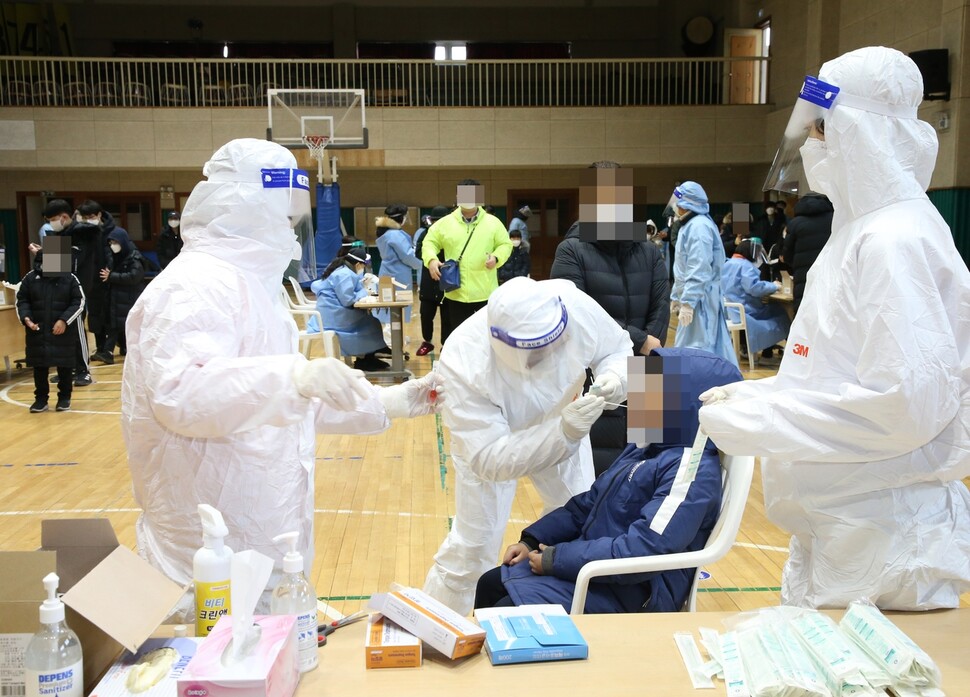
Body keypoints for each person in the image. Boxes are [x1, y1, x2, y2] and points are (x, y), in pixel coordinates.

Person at [122, 138, 442, 617]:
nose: (292, 224)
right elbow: (182, 394)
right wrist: (294, 377)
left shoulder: (253, 285)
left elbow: (276, 404)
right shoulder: (191, 286)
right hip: (205, 560)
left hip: (263, 540)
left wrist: (393, 402)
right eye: (284, 209)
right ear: (249, 204)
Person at [699, 46, 970, 611]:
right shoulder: (857, 233)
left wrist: (761, 416)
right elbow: (837, 374)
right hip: (843, 522)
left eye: (823, 129)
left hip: (885, 534)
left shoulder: (894, 239)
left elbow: (905, 405)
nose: (815, 145)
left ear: (860, 133)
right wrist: (759, 392)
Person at [474, 348, 742, 613]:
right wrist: (532, 541)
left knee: (506, 609)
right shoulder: (645, 448)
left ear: (685, 405)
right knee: (490, 583)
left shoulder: (690, 472)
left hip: (637, 590)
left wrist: (557, 559)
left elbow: (644, 550)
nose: (639, 398)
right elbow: (586, 505)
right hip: (597, 570)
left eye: (654, 389)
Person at [423, 276, 633, 614]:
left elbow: (618, 347)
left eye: (557, 343)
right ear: (502, 344)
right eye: (538, 353)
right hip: (496, 447)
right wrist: (561, 433)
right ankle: (441, 630)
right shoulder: (463, 358)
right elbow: (489, 458)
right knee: (472, 550)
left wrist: (615, 379)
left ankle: (558, 622)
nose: (552, 356)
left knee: (580, 525)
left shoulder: (574, 305)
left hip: (566, 423)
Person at [550, 162, 670, 476]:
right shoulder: (571, 251)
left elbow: (661, 304)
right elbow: (576, 314)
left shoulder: (649, 252)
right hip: (595, 369)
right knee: (598, 470)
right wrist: (640, 341)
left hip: (649, 367)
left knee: (648, 464)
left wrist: (651, 345)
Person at [421, 179, 512, 345]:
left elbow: (505, 244)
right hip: (456, 294)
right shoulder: (445, 223)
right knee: (460, 341)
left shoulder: (493, 223)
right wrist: (432, 260)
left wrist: (497, 257)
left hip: (485, 294)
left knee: (485, 341)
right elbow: (429, 242)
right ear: (457, 197)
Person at [668, 181, 738, 368]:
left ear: (688, 203)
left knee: (700, 350)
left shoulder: (699, 227)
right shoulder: (690, 226)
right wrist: (677, 296)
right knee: (701, 348)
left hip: (701, 300)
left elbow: (699, 267)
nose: (675, 206)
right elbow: (682, 268)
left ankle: (701, 393)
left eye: (678, 201)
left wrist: (688, 301)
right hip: (697, 298)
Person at [16, 238, 85, 413]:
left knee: (64, 365)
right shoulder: (30, 278)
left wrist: (64, 320)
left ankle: (64, 398)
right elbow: (22, 300)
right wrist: (26, 318)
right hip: (37, 330)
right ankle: (40, 399)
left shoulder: (69, 279)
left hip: (62, 331)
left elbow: (79, 301)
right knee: (39, 366)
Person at [40, 199, 98, 387]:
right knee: (62, 332)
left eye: (53, 219)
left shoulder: (83, 233)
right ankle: (67, 368)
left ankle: (84, 371)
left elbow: (73, 263)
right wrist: (42, 254)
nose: (51, 224)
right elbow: (53, 268)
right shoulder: (57, 236)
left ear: (64, 217)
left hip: (78, 289)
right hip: (59, 290)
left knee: (78, 329)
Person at [312, 236, 391, 371]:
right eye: (363, 266)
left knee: (371, 321)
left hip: (333, 311)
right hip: (333, 316)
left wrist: (361, 288)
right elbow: (348, 300)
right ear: (358, 264)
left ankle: (369, 356)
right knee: (370, 323)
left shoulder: (344, 270)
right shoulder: (344, 274)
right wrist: (364, 292)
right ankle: (366, 359)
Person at [721, 238, 791, 362]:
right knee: (781, 313)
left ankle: (766, 350)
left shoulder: (727, 263)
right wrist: (774, 286)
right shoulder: (745, 266)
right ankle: (781, 350)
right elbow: (754, 288)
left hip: (730, 311)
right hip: (747, 311)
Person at [94, 228, 146, 364]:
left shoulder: (134, 257)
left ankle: (109, 352)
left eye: (115, 242)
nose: (112, 245)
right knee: (115, 326)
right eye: (110, 243)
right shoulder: (114, 256)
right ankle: (115, 350)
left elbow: (135, 276)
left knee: (120, 326)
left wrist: (112, 276)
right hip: (117, 297)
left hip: (128, 297)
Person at [374, 204, 422, 339]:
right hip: (398, 275)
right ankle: (393, 339)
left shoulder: (386, 233)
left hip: (388, 272)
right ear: (402, 218)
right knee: (395, 308)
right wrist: (421, 264)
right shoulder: (395, 235)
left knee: (389, 306)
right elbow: (407, 255)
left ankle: (395, 337)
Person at [781, 194, 833, 313]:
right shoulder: (835, 220)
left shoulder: (794, 223)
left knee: (804, 313)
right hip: (829, 273)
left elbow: (787, 256)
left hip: (804, 276)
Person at [413, 206, 450, 356]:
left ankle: (446, 344)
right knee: (426, 314)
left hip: (448, 282)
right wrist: (432, 257)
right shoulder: (425, 234)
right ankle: (427, 342)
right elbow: (418, 252)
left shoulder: (452, 234)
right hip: (429, 282)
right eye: (435, 221)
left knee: (448, 316)